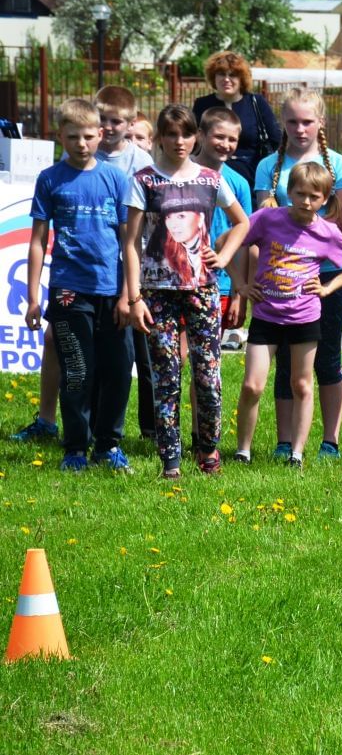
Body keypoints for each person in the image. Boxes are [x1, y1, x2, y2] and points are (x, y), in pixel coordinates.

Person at [121, 104, 250, 478]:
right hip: (157, 292)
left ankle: (208, 452)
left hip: (203, 290)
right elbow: (130, 244)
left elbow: (242, 222)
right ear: (160, 138)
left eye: (186, 134)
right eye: (171, 134)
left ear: (195, 138)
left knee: (208, 376)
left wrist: (222, 256)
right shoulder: (144, 180)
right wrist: (134, 298)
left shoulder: (210, 179)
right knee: (167, 376)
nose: (179, 141)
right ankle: (171, 461)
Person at [23, 99, 133, 472]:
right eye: (73, 137)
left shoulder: (116, 178)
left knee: (118, 369)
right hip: (68, 289)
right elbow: (38, 241)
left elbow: (128, 242)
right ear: (60, 137)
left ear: (101, 135)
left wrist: (128, 295)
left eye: (88, 136)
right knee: (78, 370)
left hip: (111, 290)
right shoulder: (50, 179)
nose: (81, 144)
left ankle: (108, 445)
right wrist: (33, 297)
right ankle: (74, 448)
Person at [233, 163, 342, 468]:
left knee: (301, 384)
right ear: (288, 192)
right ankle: (242, 451)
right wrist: (241, 284)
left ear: (325, 198)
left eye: (313, 196)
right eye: (300, 193)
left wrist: (328, 288)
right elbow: (227, 243)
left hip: (304, 318)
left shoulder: (327, 232)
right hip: (266, 316)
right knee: (253, 385)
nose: (306, 201)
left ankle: (297, 453)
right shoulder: (267, 219)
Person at [255, 88, 342, 459]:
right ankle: (285, 441)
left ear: (321, 123)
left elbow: (340, 221)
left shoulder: (340, 166)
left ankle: (330, 440)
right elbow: (261, 224)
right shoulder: (269, 166)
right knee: (285, 361)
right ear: (283, 122)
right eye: (293, 121)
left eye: (308, 121)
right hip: (278, 281)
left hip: (324, 278)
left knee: (328, 359)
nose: (300, 129)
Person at [195, 107, 254, 354]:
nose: (225, 144)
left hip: (220, 283)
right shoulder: (181, 172)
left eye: (232, 139)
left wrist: (240, 294)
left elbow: (245, 239)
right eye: (219, 137)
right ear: (200, 135)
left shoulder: (238, 183)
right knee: (178, 356)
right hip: (180, 279)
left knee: (207, 358)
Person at [192, 52, 281, 184]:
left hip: (251, 176)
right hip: (209, 175)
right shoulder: (202, 104)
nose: (226, 79)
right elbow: (194, 141)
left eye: (232, 75)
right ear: (214, 77)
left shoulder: (256, 102)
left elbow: (276, 139)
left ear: (242, 79)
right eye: (221, 74)